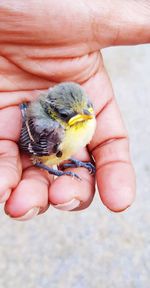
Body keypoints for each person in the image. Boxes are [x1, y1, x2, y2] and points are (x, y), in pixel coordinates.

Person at [0, 0, 149, 220]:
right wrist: (59, 171)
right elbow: (34, 153)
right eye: (73, 115)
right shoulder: (52, 131)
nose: (88, 115)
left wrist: (76, 162)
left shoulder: (87, 116)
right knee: (45, 162)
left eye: (87, 107)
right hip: (42, 147)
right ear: (57, 115)